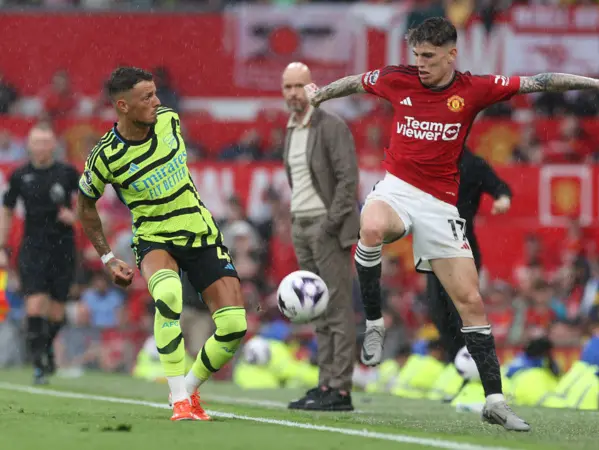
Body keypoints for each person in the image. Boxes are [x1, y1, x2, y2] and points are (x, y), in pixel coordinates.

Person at [303, 17, 599, 431]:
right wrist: (320, 95)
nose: (420, 64)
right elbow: (353, 82)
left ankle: (494, 400)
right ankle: (373, 323)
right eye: (417, 55)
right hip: (397, 189)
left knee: (471, 303)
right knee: (370, 228)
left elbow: (540, 81)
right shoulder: (397, 79)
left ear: (451, 54)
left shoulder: (473, 89)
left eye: (428, 57)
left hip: (441, 206)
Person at [76, 67, 247, 422]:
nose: (157, 102)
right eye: (147, 97)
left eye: (156, 94)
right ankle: (179, 399)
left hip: (200, 232)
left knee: (234, 326)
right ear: (122, 106)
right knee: (168, 295)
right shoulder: (104, 157)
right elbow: (85, 205)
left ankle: (190, 388)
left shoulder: (170, 121)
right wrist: (108, 257)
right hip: (154, 237)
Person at [281, 62, 359, 411]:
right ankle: (325, 384)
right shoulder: (291, 129)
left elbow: (348, 180)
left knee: (337, 309)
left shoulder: (331, 126)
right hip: (301, 225)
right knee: (316, 311)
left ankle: (340, 390)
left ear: (314, 88)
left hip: (325, 227)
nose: (294, 93)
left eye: (300, 85)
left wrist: (329, 223)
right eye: (288, 87)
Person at [0, 123, 79, 385]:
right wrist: (2, 247)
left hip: (63, 248)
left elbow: (89, 204)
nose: (41, 146)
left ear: (53, 145)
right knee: (34, 305)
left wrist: (75, 216)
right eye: (37, 141)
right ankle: (38, 364)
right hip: (33, 248)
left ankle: (45, 349)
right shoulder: (20, 175)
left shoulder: (67, 173)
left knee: (57, 312)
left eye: (46, 141)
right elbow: (8, 210)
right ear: (29, 145)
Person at [427, 147, 512, 365]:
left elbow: (499, 187)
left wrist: (503, 199)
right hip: (433, 248)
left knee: (461, 312)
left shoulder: (473, 164)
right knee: (438, 310)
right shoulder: (427, 161)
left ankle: (473, 364)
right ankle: (455, 363)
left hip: (461, 247)